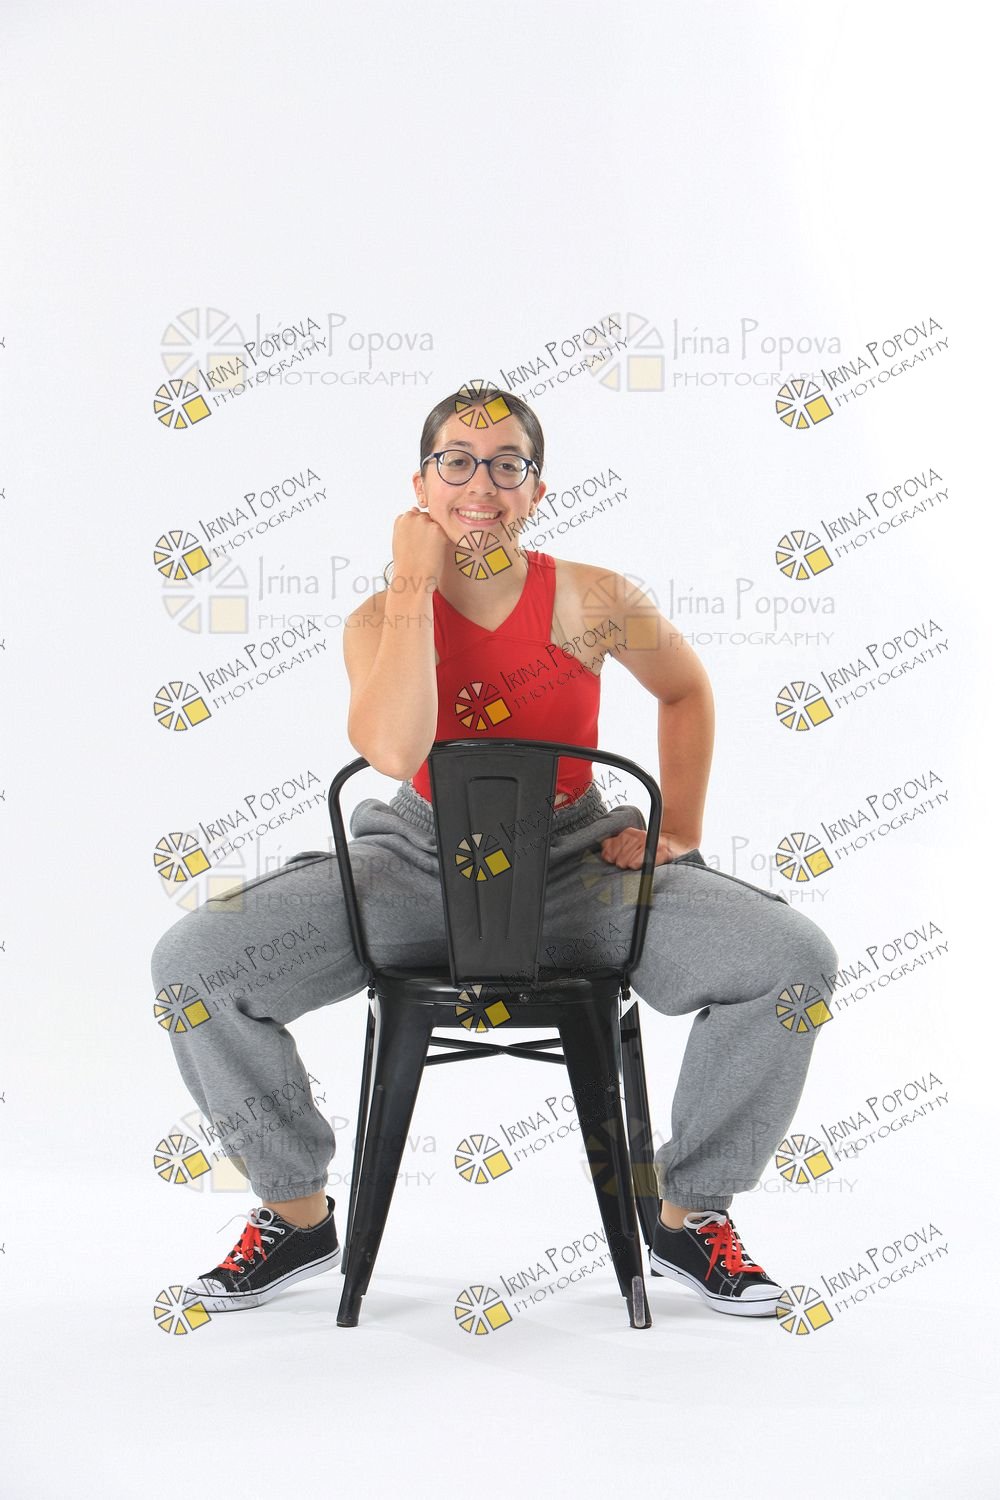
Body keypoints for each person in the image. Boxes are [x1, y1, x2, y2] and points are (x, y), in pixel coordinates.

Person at [151, 385, 838, 1319]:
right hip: (414, 866)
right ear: (420, 486)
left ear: (536, 490)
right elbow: (395, 750)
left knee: (793, 959)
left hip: (577, 866)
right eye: (457, 462)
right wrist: (413, 582)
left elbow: (685, 691)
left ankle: (690, 1213)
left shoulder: (596, 597)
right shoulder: (377, 617)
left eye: (507, 464)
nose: (482, 484)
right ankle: (296, 1213)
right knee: (192, 964)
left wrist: (679, 829)